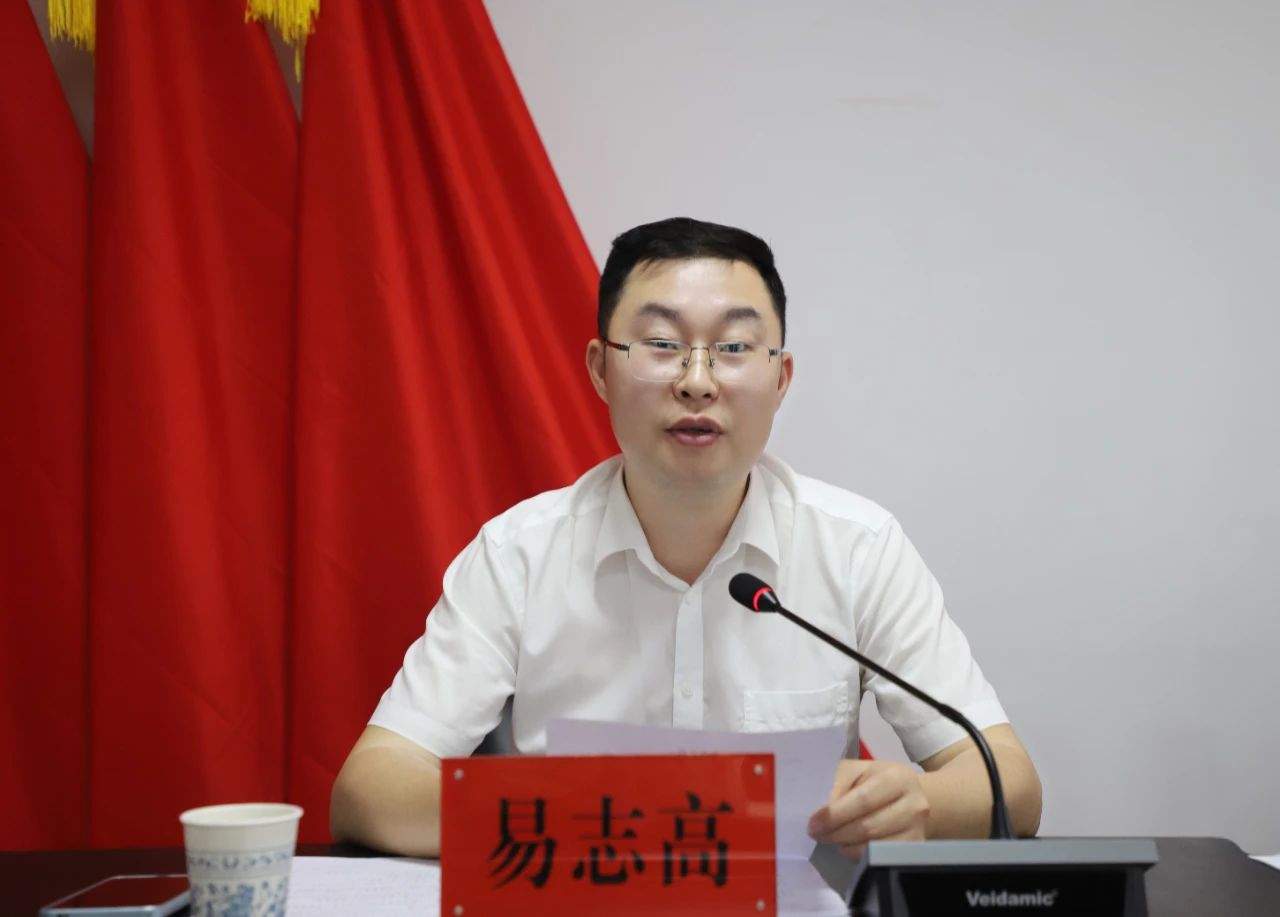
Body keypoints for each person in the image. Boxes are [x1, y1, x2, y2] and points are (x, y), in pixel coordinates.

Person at [330, 217, 1042, 859]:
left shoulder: (858, 548)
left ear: (780, 377)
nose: (697, 382)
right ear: (600, 369)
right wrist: (582, 818)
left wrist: (922, 804)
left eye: (733, 347)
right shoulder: (518, 554)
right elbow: (370, 788)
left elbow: (1010, 781)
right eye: (663, 345)